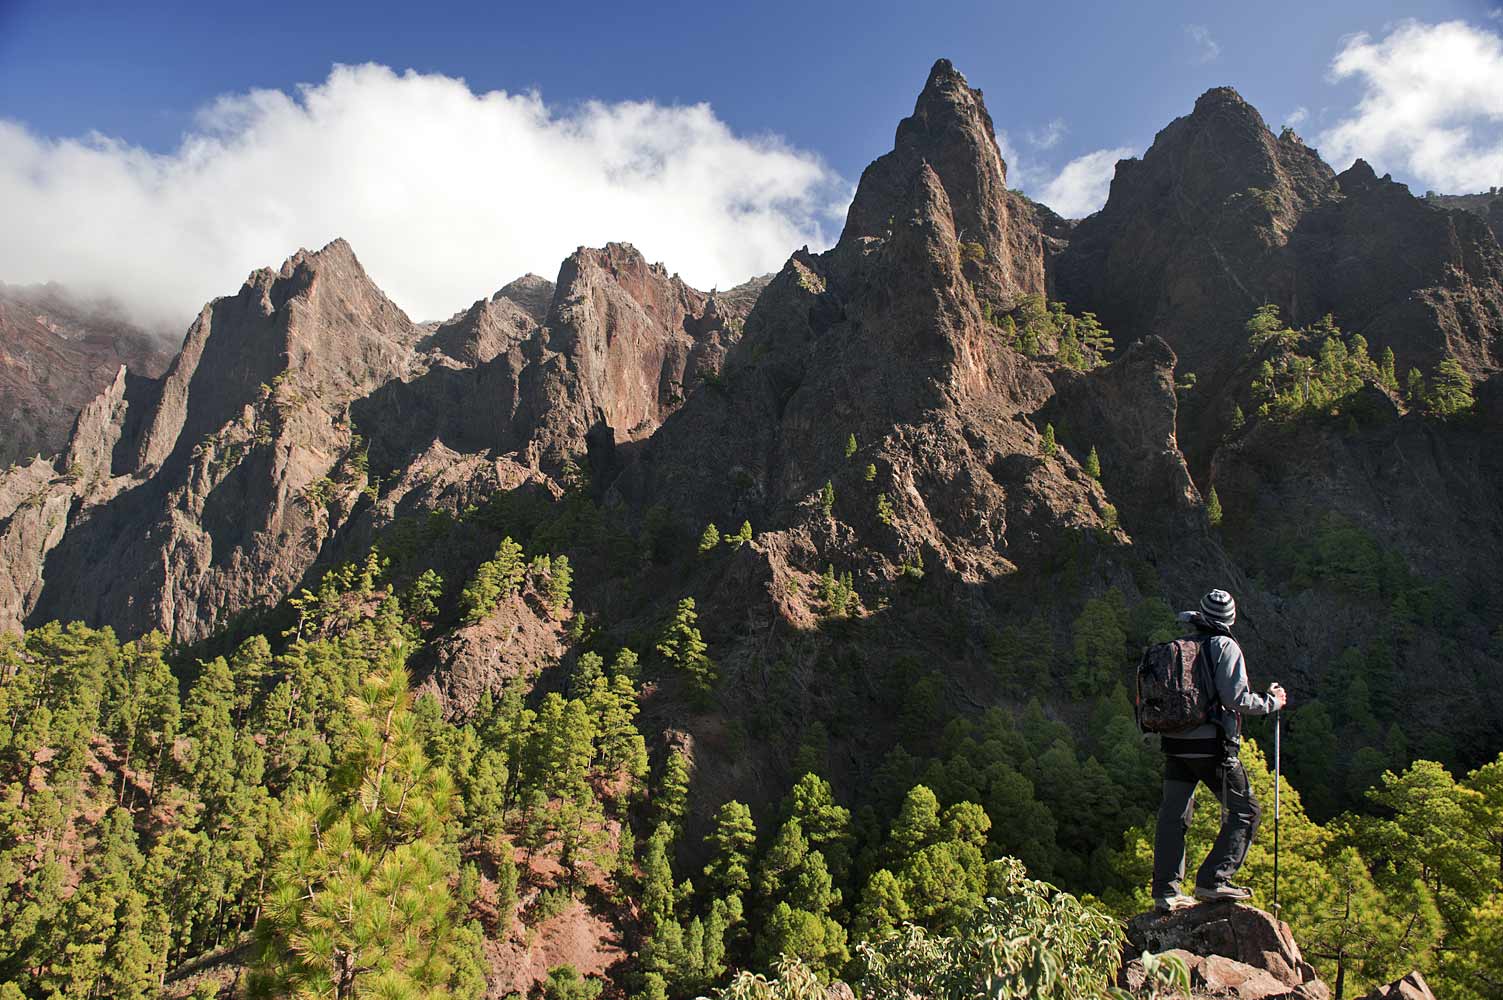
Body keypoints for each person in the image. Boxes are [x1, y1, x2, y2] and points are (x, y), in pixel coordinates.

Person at [1152, 589, 1286, 911]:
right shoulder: (1224, 646)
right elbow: (1235, 699)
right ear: (1230, 619)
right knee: (1245, 810)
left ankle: (1166, 892)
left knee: (1174, 814)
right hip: (1211, 747)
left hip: (1175, 744)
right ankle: (1213, 880)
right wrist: (1272, 702)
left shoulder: (1180, 647)